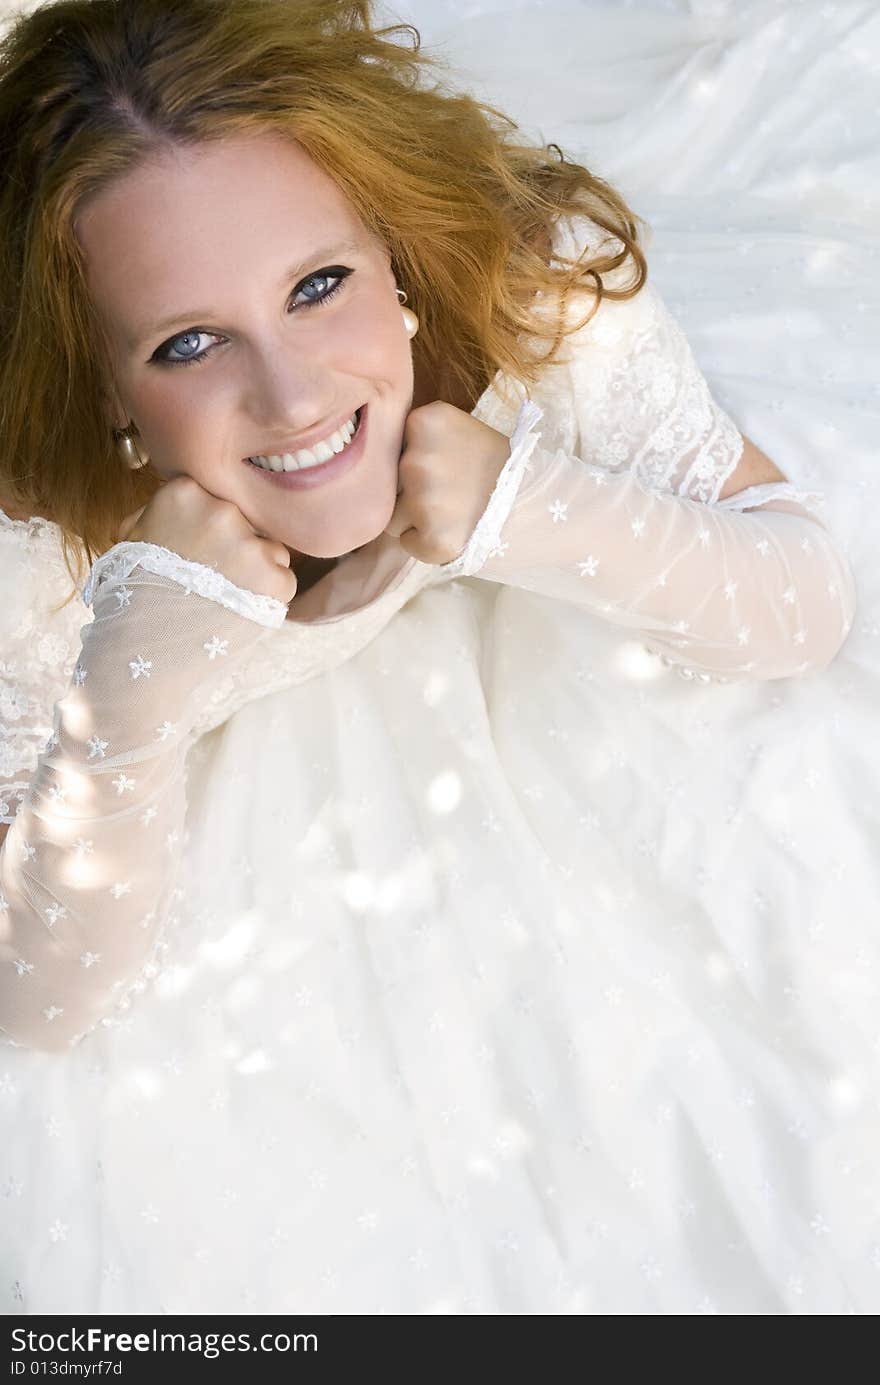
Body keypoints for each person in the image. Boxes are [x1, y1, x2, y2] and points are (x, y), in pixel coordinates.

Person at [0, 0, 858, 1313]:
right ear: (111, 395)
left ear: (396, 262)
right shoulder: (36, 555)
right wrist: (132, 687)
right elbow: (41, 1000)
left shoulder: (532, 281)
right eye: (187, 343)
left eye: (319, 284)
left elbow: (803, 605)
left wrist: (537, 506)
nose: (291, 398)